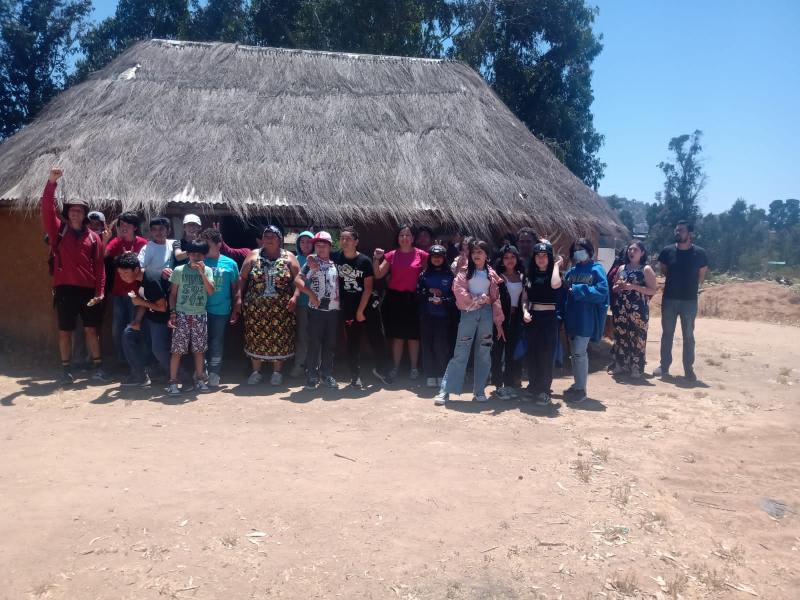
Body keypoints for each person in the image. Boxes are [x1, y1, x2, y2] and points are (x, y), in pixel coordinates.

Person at [41, 167, 107, 385]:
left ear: (85, 213)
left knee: (91, 330)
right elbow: (47, 208)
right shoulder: (58, 231)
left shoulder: (94, 238)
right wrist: (52, 182)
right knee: (65, 332)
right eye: (72, 210)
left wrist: (100, 291)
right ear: (67, 212)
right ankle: (66, 370)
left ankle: (97, 367)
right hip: (65, 289)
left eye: (80, 210)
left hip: (88, 290)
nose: (75, 213)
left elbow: (99, 267)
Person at [434, 240, 505, 405]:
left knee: (484, 353)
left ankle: (479, 391)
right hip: (468, 314)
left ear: (487, 255)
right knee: (461, 352)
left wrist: (499, 322)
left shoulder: (492, 274)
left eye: (480, 251)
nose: (477, 254)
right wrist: (476, 300)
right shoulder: (464, 272)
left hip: (486, 316)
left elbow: (496, 299)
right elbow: (458, 290)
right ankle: (445, 390)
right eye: (474, 252)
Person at [239, 226, 300, 386]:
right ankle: (256, 372)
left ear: (279, 239)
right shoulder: (253, 255)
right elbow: (242, 278)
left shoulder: (289, 256)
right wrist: (238, 298)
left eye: (273, 236)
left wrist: (295, 297)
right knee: (255, 338)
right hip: (255, 309)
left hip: (281, 310)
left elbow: (299, 280)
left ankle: (277, 373)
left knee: (280, 338)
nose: (269, 239)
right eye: (266, 236)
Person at [333, 226, 390, 389]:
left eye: (348, 238)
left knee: (377, 338)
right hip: (348, 306)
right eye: (342, 238)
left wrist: (360, 311)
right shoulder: (335, 257)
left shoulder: (364, 261)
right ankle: (355, 376)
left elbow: (368, 288)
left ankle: (381, 370)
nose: (344, 241)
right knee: (352, 341)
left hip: (367, 305)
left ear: (356, 241)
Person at [655, 220, 709, 381]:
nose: (678, 233)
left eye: (681, 230)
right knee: (667, 335)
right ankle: (664, 366)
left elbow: (701, 276)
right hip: (669, 299)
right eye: (676, 230)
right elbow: (664, 270)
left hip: (689, 301)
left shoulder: (700, 253)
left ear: (690, 234)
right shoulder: (667, 251)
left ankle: (688, 370)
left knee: (688, 336)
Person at [374, 225, 428, 380]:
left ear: (413, 238)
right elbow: (378, 274)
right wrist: (376, 259)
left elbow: (428, 274)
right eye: (401, 235)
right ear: (397, 238)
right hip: (395, 299)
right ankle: (396, 367)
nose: (404, 238)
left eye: (408, 235)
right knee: (397, 336)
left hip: (414, 299)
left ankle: (413, 368)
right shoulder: (391, 255)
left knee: (413, 336)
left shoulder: (422, 255)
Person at [562, 238, 609, 403]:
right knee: (574, 354)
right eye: (575, 249)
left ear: (589, 250)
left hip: (586, 318)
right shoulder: (573, 270)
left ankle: (581, 389)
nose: (578, 251)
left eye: (581, 248)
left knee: (580, 353)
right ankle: (577, 385)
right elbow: (563, 286)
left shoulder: (597, 269)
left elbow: (602, 292)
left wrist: (577, 289)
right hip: (572, 317)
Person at [166, 239, 215, 395]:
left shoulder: (207, 270)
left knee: (199, 350)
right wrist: (173, 313)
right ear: (188, 254)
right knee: (177, 351)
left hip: (200, 315)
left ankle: (200, 380)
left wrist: (201, 272)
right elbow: (172, 294)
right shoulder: (179, 270)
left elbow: (211, 291)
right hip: (181, 315)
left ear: (204, 255)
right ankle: (173, 382)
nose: (196, 257)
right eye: (193, 254)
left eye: (199, 254)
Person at [116, 252, 171, 387]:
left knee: (158, 349)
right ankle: (140, 375)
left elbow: (162, 307)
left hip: (163, 320)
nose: (123, 277)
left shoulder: (151, 279)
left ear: (136, 269)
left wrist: (139, 301)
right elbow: (145, 301)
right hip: (151, 319)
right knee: (128, 333)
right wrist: (137, 321)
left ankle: (176, 375)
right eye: (120, 274)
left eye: (125, 273)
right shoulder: (140, 279)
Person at [295, 231, 340, 389]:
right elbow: (298, 280)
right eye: (318, 246)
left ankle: (326, 374)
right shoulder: (311, 263)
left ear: (330, 246)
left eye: (323, 246)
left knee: (330, 344)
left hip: (333, 312)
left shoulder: (336, 263)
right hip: (315, 311)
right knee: (314, 343)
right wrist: (310, 294)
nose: (320, 249)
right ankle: (311, 375)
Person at [609, 241, 658, 378]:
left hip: (638, 309)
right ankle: (620, 364)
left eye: (635, 250)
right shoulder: (621, 268)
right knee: (620, 336)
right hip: (621, 308)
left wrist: (633, 287)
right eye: (630, 249)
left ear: (642, 253)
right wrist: (618, 286)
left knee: (637, 336)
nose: (631, 252)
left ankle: (636, 367)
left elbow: (653, 290)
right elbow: (614, 287)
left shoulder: (646, 269)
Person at [199, 229, 241, 387]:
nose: (205, 248)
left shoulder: (230, 264)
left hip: (221, 310)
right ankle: (201, 371)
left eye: (208, 245)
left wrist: (236, 308)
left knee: (217, 341)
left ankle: (215, 372)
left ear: (219, 244)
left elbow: (236, 287)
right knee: (200, 341)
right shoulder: (198, 261)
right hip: (199, 309)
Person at [105, 212, 147, 365]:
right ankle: (122, 361)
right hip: (118, 293)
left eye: (128, 225)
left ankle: (136, 362)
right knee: (117, 330)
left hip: (136, 295)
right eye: (122, 225)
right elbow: (103, 254)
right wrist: (104, 240)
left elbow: (146, 267)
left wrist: (134, 259)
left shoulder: (143, 243)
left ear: (135, 227)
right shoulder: (116, 242)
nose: (124, 228)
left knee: (134, 327)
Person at [524, 241, 563, 405]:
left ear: (549, 257)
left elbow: (555, 284)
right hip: (532, 318)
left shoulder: (554, 274)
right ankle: (533, 387)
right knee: (532, 354)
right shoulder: (529, 275)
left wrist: (556, 265)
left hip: (549, 318)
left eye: (544, 255)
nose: (540, 259)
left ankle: (544, 391)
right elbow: (525, 298)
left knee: (546, 355)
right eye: (538, 255)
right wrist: (524, 311)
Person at [490, 245, 528, 399]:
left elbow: (525, 298)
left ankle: (511, 383)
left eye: (512, 257)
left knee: (513, 352)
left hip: (517, 319)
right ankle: (499, 384)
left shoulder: (522, 277)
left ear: (517, 258)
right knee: (498, 351)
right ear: (502, 260)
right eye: (506, 257)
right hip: (500, 319)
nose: (510, 260)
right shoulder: (497, 277)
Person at [417, 245, 455, 388]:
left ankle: (441, 374)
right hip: (427, 316)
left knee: (441, 346)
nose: (437, 259)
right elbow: (418, 294)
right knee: (427, 346)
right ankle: (430, 374)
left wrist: (443, 301)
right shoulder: (424, 275)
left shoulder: (450, 276)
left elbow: (455, 298)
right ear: (430, 258)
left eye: (440, 256)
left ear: (444, 258)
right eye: (434, 256)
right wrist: (428, 292)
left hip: (444, 317)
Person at [290, 231, 314, 378]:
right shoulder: (294, 259)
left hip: (318, 304)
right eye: (302, 241)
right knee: (301, 336)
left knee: (317, 336)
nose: (305, 244)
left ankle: (315, 366)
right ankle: (299, 364)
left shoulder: (319, 259)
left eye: (309, 241)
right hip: (301, 304)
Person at [138, 217, 175, 281]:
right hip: (155, 285)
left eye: (161, 229)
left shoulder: (174, 244)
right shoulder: (147, 248)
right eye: (154, 229)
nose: (158, 232)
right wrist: (160, 274)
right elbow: (139, 269)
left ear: (168, 230)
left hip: (173, 285)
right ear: (151, 232)